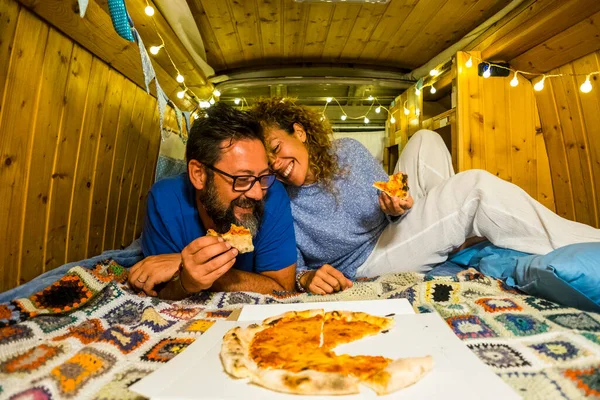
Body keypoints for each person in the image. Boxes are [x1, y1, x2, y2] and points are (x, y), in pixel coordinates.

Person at [250, 97, 600, 295]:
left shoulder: (349, 151)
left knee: (425, 139)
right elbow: (293, 268)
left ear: (300, 132)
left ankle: (455, 244)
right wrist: (306, 278)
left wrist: (396, 207)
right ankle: (591, 243)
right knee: (473, 188)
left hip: (391, 230)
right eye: (268, 162)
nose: (277, 165)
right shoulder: (277, 196)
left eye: (278, 149)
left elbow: (392, 203)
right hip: (366, 262)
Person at [128, 103, 297, 299]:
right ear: (199, 174)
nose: (258, 193)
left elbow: (282, 289)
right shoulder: (164, 201)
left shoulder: (273, 195)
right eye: (242, 179)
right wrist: (185, 282)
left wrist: (194, 269)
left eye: (264, 176)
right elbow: (157, 289)